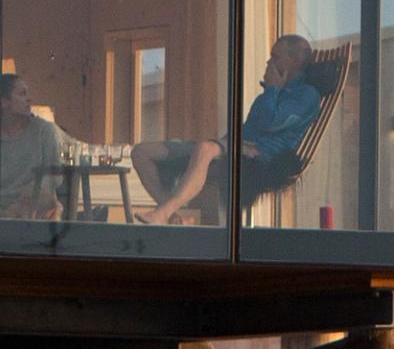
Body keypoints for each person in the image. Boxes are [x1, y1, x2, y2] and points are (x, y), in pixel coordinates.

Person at [133, 34, 326, 222]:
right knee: (141, 152)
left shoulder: (307, 95)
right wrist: (272, 90)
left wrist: (272, 89)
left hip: (260, 156)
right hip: (233, 146)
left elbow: (271, 123)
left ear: (294, 61)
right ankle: (173, 217)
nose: (269, 61)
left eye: (275, 56)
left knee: (206, 149)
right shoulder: (274, 91)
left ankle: (163, 212)